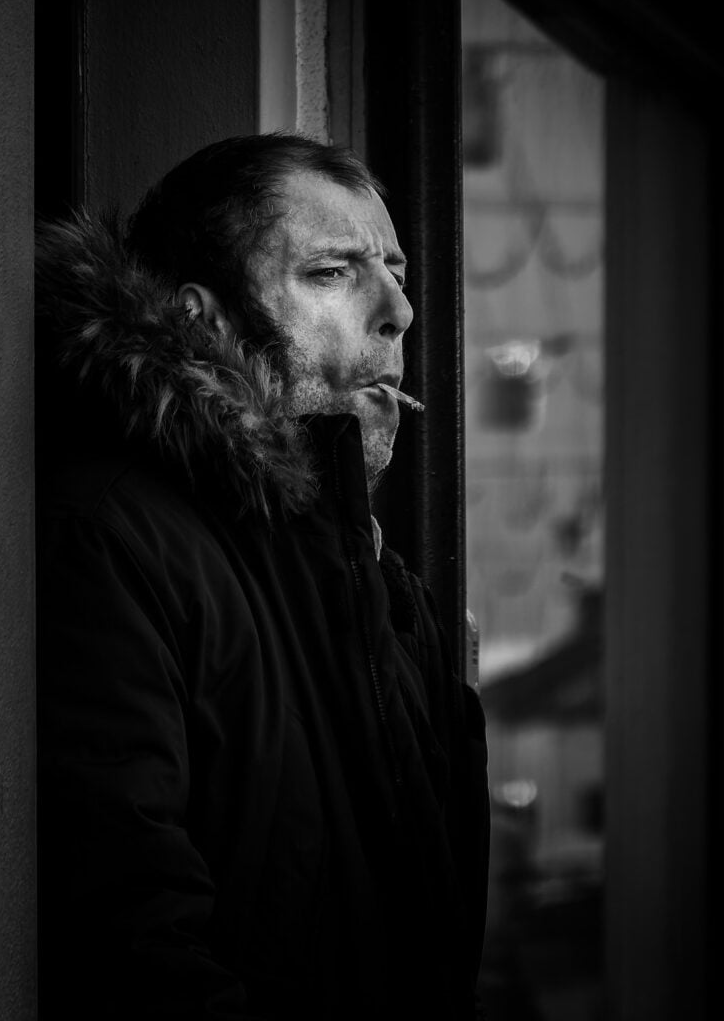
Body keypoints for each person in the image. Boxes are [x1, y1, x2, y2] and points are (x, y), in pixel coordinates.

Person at [35, 132, 489, 1020]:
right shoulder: (111, 537)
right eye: (332, 272)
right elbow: (126, 942)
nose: (397, 307)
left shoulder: (375, 578)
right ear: (205, 322)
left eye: (394, 270)